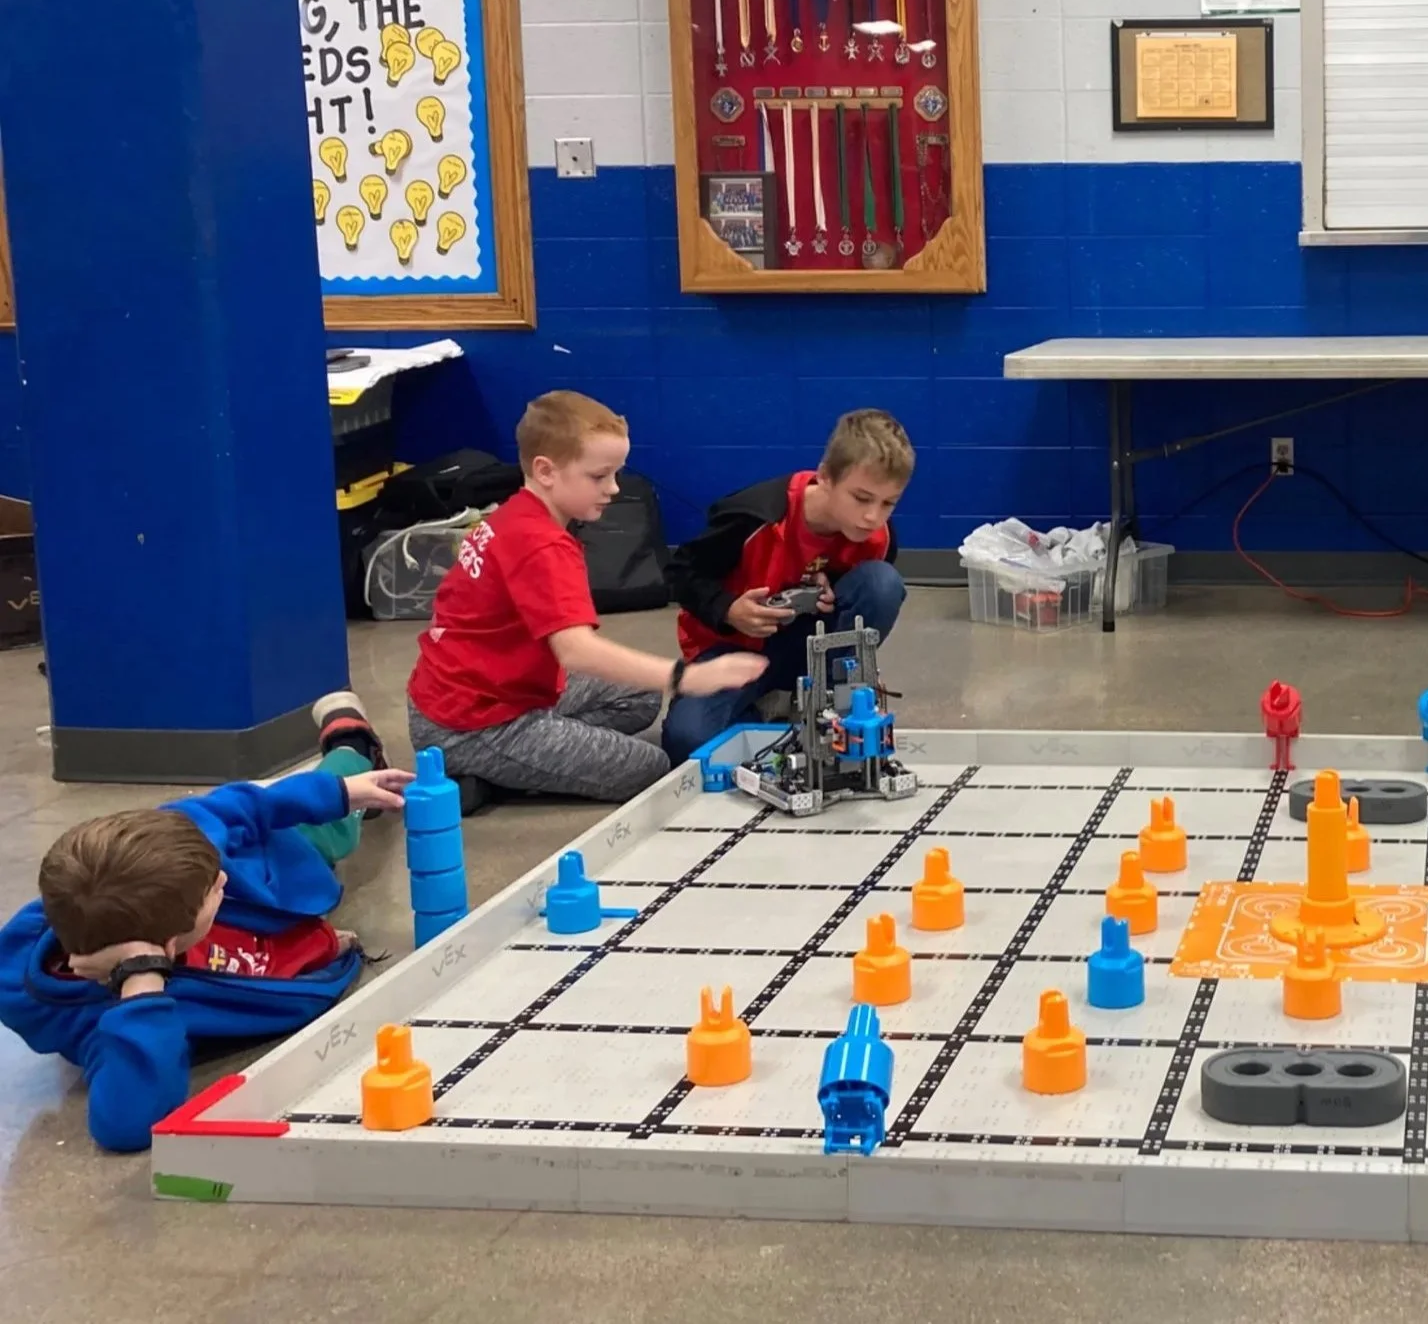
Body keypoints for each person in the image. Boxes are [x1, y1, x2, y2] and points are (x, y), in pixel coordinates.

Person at [0, 695, 411, 1152]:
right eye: (211, 892)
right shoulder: (88, 1013)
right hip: (265, 917)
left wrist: (337, 793)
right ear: (166, 946)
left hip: (281, 861)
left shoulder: (162, 859)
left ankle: (350, 739)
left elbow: (232, 808)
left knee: (340, 819)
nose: (222, 880)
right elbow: (126, 1125)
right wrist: (141, 980)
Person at [406, 390, 766, 810]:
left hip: (469, 692)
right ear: (546, 471)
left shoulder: (516, 513)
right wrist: (686, 677)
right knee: (649, 768)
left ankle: (515, 763)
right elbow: (576, 650)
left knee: (641, 697)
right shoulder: (542, 546)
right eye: (599, 476)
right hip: (472, 722)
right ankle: (486, 767)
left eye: (615, 474)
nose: (613, 488)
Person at [660, 409, 913, 764]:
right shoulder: (754, 515)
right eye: (861, 498)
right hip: (732, 649)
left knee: (882, 583)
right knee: (688, 743)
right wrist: (728, 609)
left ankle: (828, 699)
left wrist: (831, 585)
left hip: (808, 646)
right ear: (825, 477)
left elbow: (866, 594)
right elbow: (680, 573)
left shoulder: (879, 538)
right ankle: (767, 707)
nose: (873, 516)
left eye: (888, 503)